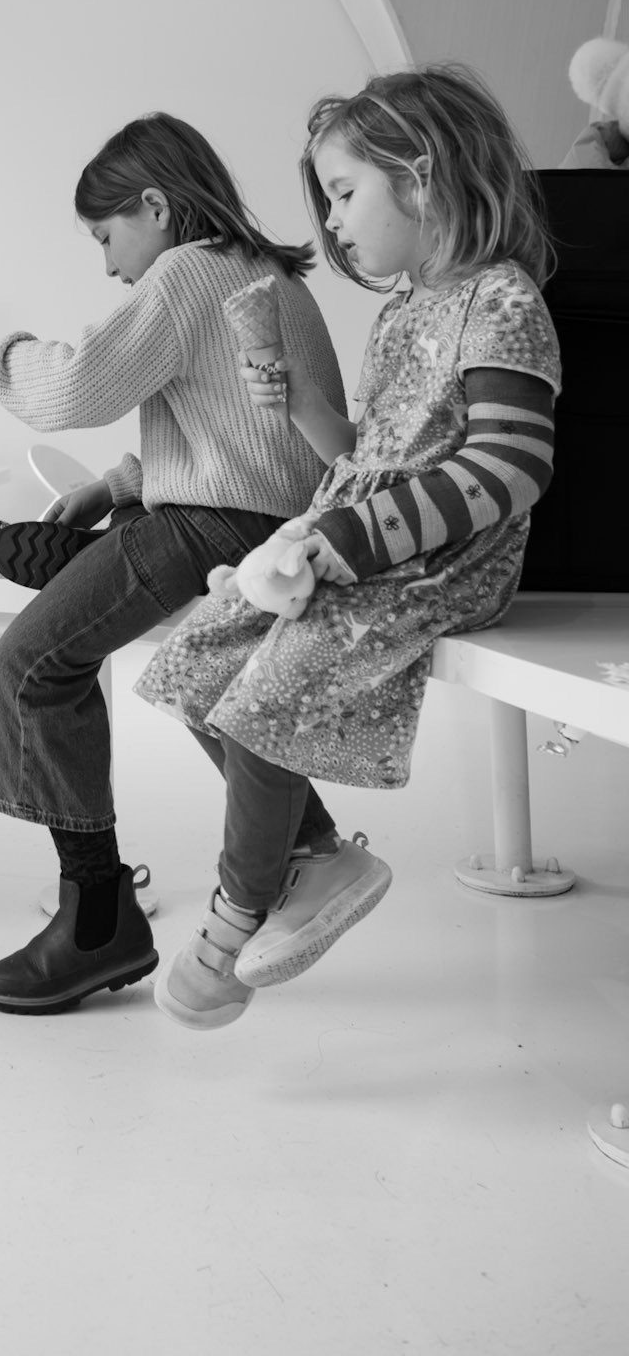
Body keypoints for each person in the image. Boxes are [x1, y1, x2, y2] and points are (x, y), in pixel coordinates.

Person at [136, 66, 559, 1028]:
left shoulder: (500, 301)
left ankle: (234, 916)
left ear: (423, 175)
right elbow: (365, 455)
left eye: (343, 192)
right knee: (197, 654)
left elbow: (509, 468)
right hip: (365, 540)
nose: (331, 222)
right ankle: (317, 855)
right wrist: (300, 408)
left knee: (269, 684)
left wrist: (351, 538)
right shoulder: (404, 310)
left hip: (449, 559)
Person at [0, 112, 346, 1014]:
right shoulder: (267, 276)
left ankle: (96, 917)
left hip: (208, 529)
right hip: (265, 527)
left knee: (31, 666)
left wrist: (1, 354)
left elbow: (78, 387)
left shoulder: (188, 270)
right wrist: (116, 485)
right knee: (205, 685)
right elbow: (244, 439)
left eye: (105, 237)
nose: (109, 266)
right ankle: (312, 851)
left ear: (155, 205)